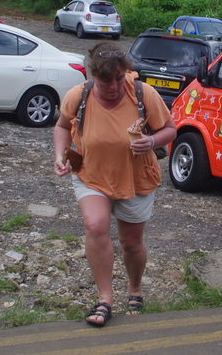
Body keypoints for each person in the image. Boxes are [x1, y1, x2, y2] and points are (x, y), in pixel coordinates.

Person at [53, 42, 177, 327]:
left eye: (119, 78)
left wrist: (151, 141)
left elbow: (170, 130)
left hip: (135, 178)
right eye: (105, 81)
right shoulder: (79, 95)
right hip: (91, 174)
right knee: (96, 226)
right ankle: (105, 298)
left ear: (126, 73)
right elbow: (62, 126)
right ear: (93, 76)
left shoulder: (144, 94)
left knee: (131, 243)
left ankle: (135, 289)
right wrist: (60, 155)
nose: (113, 86)